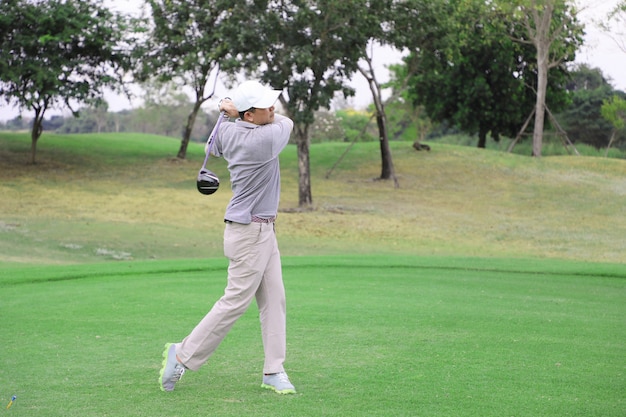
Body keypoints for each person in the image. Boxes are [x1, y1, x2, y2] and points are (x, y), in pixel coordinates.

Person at [159, 80, 296, 395]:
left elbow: (212, 146)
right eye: (265, 106)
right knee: (235, 301)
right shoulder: (263, 140)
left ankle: (273, 370)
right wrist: (234, 108)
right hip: (249, 231)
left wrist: (230, 112)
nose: (273, 109)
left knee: (274, 298)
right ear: (248, 115)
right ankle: (181, 354)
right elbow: (287, 124)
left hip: (261, 229)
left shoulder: (229, 130)